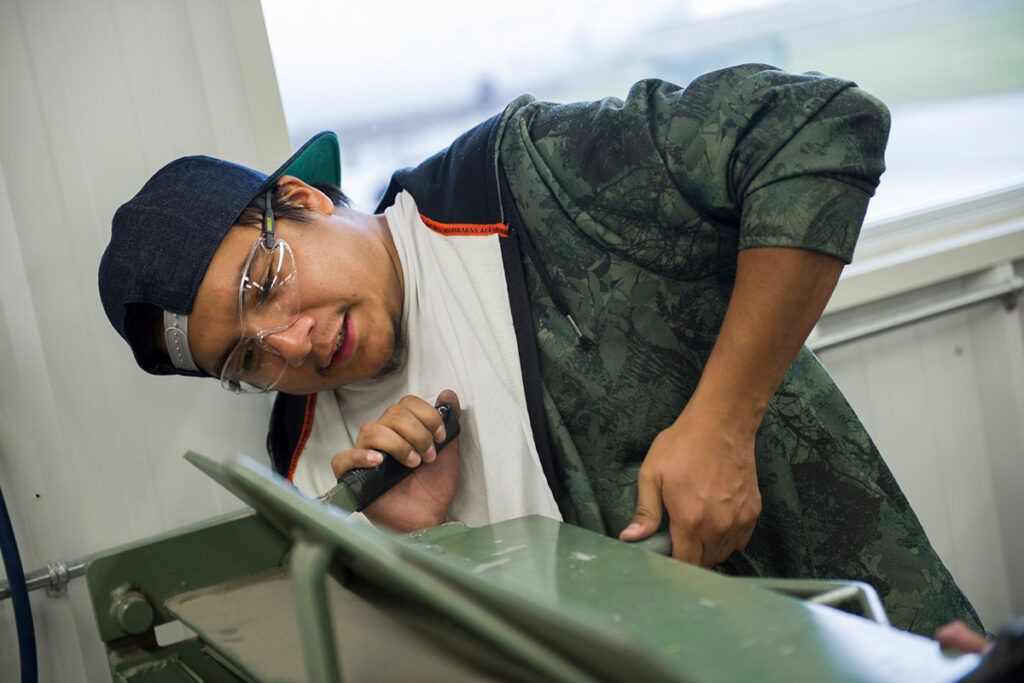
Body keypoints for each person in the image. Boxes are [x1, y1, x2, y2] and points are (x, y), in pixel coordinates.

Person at [99, 63, 982, 637]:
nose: (290, 346)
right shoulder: (312, 474)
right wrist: (434, 547)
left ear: (303, 198)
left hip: (854, 633)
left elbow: (819, 125)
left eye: (265, 283)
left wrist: (722, 419)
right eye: (246, 361)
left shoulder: (527, 182)